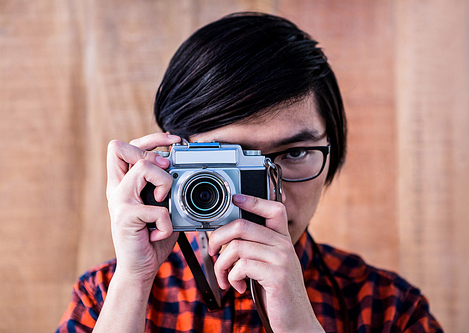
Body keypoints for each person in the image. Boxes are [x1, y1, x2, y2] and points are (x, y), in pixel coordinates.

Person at [56, 12, 443, 333]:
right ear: (172, 159)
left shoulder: (390, 310)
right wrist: (133, 283)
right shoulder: (105, 295)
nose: (267, 198)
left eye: (295, 152)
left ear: (333, 148)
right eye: (231, 159)